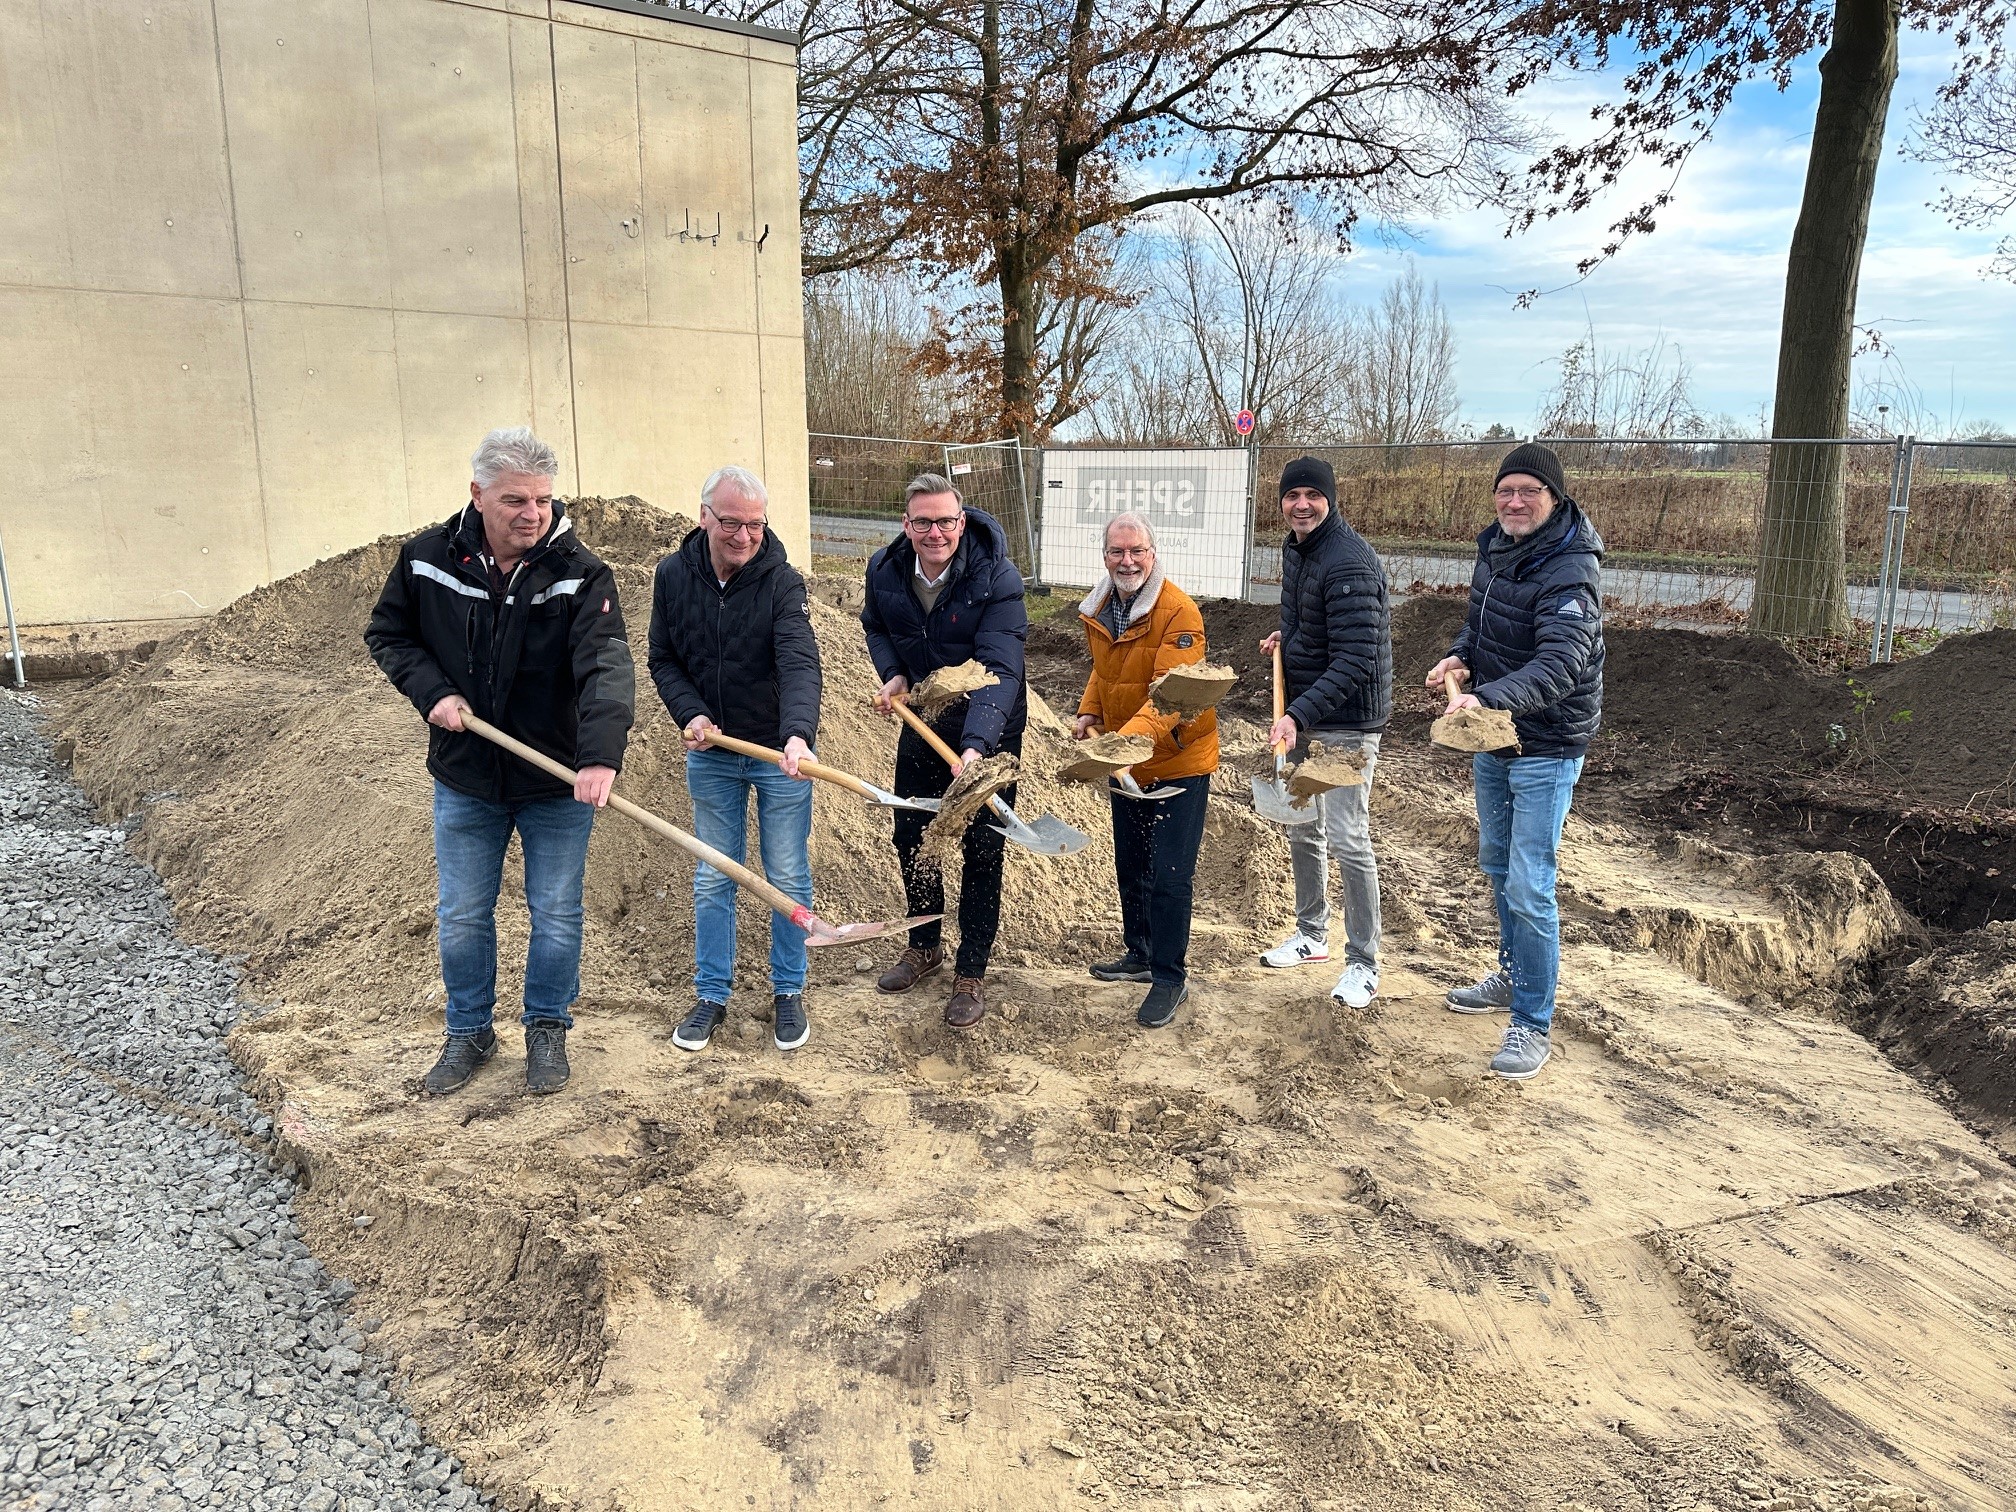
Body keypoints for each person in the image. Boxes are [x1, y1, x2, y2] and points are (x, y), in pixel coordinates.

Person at [365, 426, 635, 1097]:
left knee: (556, 912)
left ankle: (546, 1028)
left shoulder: (579, 573)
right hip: (466, 776)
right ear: (477, 495)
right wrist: (433, 693)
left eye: (542, 500)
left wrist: (599, 757)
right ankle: (469, 1033)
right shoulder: (428, 559)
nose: (532, 514)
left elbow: (606, 668)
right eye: (515, 499)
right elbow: (389, 634)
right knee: (461, 914)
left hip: (555, 779)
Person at [1425, 442, 1605, 1081]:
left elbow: (1561, 664)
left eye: (1530, 490)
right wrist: (1457, 657)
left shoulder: (1569, 569)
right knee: (1497, 864)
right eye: (1507, 489)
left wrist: (1484, 698)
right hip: (1494, 735)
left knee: (1530, 882)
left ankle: (1532, 1022)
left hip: (1547, 744)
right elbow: (1480, 626)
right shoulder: (1495, 550)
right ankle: (1511, 973)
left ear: (1554, 499)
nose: (1516, 501)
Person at [647, 466, 823, 1053]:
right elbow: (663, 658)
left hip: (777, 753)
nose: (744, 536)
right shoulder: (673, 576)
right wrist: (689, 714)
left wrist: (797, 734)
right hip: (714, 750)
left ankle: (788, 990)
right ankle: (711, 995)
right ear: (704, 518)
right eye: (731, 523)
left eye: (755, 524)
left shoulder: (782, 583)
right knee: (714, 873)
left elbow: (800, 663)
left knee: (788, 873)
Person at [862, 474, 1028, 1029]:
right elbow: (876, 627)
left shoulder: (996, 576)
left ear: (962, 521)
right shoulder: (884, 570)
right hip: (925, 715)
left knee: (983, 846)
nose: (936, 532)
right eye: (923, 522)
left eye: (946, 521)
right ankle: (924, 945)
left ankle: (971, 972)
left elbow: (1002, 669)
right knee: (914, 834)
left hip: (993, 723)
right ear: (906, 525)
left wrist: (978, 745)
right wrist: (894, 675)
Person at [1255, 456, 1393, 1010]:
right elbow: (1318, 622)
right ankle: (1312, 934)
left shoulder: (1349, 562)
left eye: (1313, 494)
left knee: (1347, 838)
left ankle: (1364, 962)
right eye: (1293, 496)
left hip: (1346, 722)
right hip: (1311, 712)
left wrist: (1295, 716)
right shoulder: (1300, 548)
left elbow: (1357, 657)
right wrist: (1287, 636)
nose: (1302, 504)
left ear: (1330, 499)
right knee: (1302, 829)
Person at [1072, 512, 1218, 1029]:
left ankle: (1169, 976)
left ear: (1153, 555)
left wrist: (1124, 744)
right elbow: (1105, 668)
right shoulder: (1102, 607)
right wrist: (1091, 711)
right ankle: (1139, 952)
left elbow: (1174, 694)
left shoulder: (1179, 613)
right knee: (1131, 863)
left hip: (1178, 758)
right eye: (1116, 552)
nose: (1126, 561)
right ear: (1105, 556)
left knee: (1170, 876)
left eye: (1137, 551)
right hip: (1126, 759)